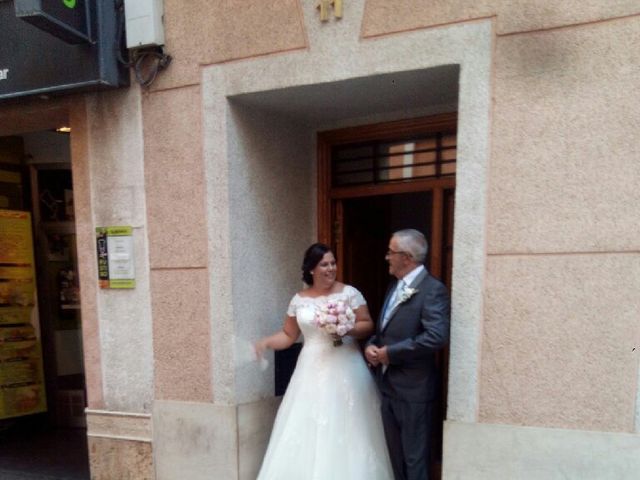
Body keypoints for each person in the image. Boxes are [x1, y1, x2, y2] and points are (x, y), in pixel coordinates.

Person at [255, 243, 394, 480]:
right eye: (324, 264)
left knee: (350, 422)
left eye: (333, 263)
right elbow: (288, 336)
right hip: (310, 368)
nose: (331, 269)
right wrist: (266, 342)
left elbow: (368, 324)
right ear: (311, 269)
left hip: (346, 365)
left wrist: (346, 328)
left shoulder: (349, 293)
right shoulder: (298, 299)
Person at [364, 229, 450, 480]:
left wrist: (390, 353)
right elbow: (384, 331)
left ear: (407, 256)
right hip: (388, 387)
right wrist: (371, 345)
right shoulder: (394, 287)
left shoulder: (433, 290)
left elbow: (436, 336)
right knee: (395, 459)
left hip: (414, 391)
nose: (387, 257)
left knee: (415, 460)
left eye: (391, 252)